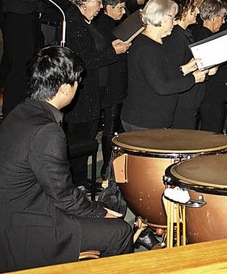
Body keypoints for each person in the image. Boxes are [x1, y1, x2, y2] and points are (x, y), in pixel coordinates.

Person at [0, 46, 132, 272]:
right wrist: (100, 212)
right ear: (63, 89)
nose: (78, 86)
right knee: (120, 231)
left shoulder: (19, 111)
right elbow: (63, 197)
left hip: (14, 211)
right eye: (76, 82)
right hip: (27, 227)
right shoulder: (47, 131)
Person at [64, 0, 130, 187]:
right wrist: (114, 51)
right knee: (78, 139)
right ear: (84, 1)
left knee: (87, 137)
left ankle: (81, 178)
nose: (101, 7)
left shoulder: (87, 22)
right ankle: (75, 181)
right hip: (81, 92)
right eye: (98, 2)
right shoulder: (73, 23)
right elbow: (85, 60)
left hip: (92, 89)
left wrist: (112, 46)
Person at [121, 0, 206, 130]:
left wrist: (184, 69)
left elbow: (160, 74)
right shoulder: (146, 48)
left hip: (150, 117)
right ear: (160, 17)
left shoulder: (156, 43)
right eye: (172, 17)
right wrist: (193, 79)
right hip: (144, 120)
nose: (174, 22)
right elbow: (162, 87)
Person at [193, 0, 227, 133]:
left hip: (214, 93)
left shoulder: (205, 34)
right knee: (211, 133)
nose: (223, 22)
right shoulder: (204, 37)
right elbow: (210, 73)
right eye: (221, 18)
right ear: (212, 17)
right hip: (210, 95)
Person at [95, 0, 128, 179]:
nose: (123, 12)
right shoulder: (103, 27)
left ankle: (111, 167)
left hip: (117, 80)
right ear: (108, 8)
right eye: (120, 8)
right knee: (111, 124)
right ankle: (107, 169)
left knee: (115, 124)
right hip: (111, 81)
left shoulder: (113, 25)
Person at [164, 0, 206, 129]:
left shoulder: (185, 33)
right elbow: (174, 72)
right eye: (194, 7)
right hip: (181, 103)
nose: (198, 11)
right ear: (184, 8)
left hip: (189, 101)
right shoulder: (176, 36)